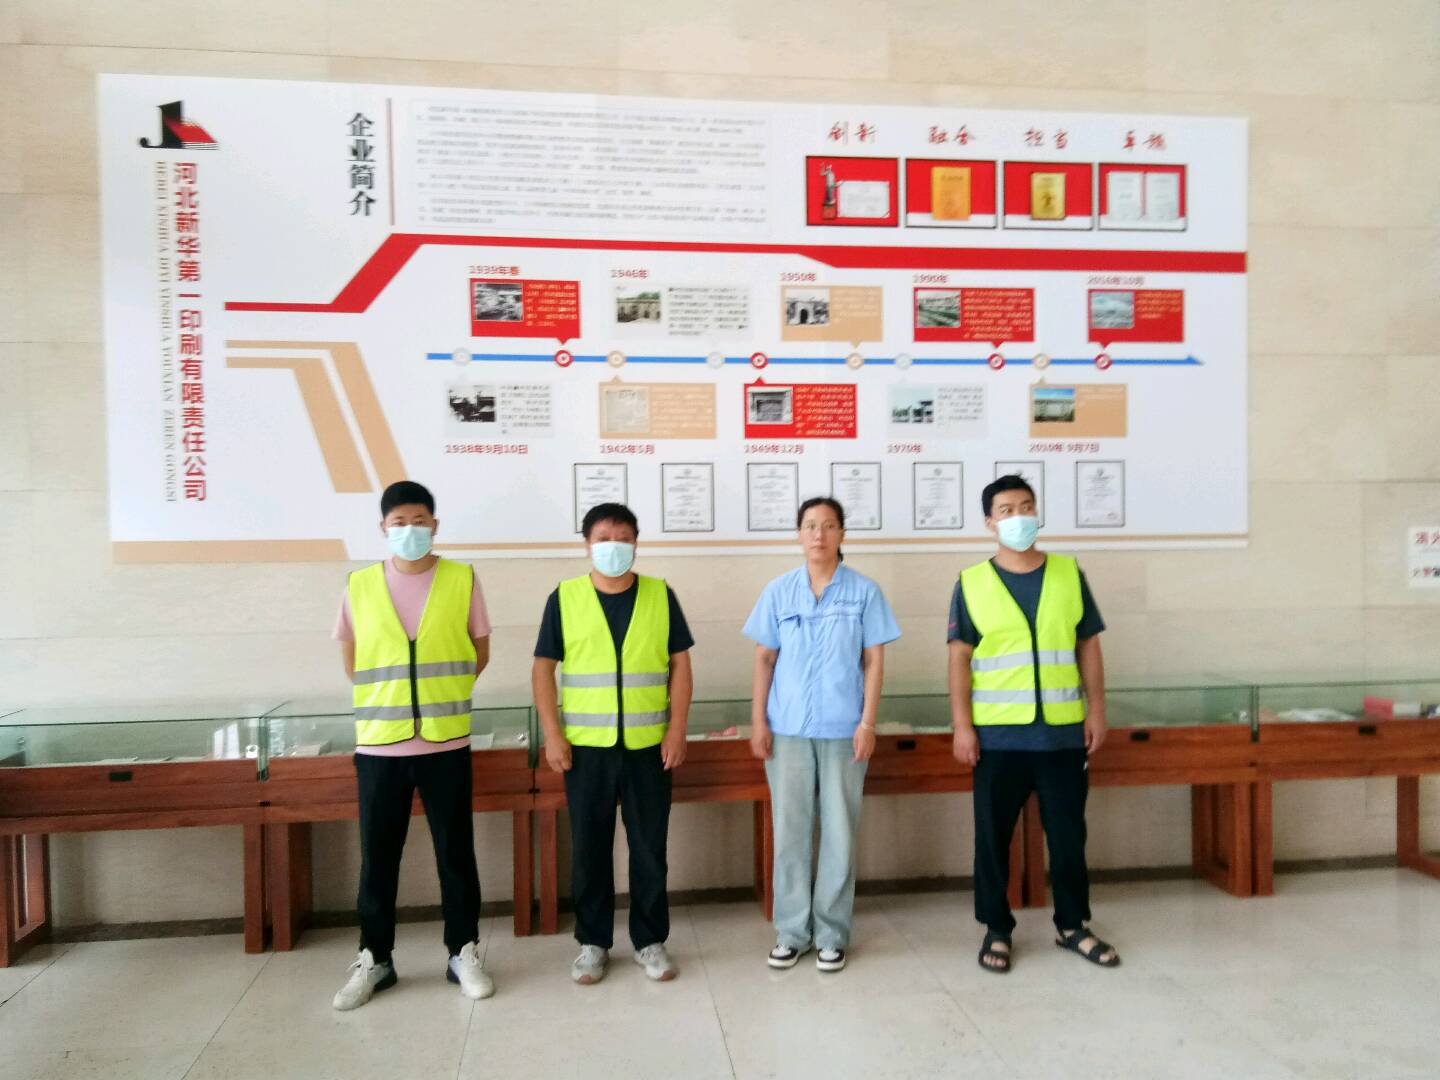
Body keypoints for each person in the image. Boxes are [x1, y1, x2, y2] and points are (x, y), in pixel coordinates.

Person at [330, 480, 495, 1011]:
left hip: (446, 742)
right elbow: (352, 659)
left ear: (435, 525)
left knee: (456, 854)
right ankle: (375, 958)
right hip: (381, 746)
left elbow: (479, 651)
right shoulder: (359, 584)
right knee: (378, 859)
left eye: (419, 520)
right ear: (383, 528)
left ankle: (462, 952)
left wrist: (440, 697)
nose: (409, 530)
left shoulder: (462, 579)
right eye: (399, 522)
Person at [948, 474, 1120, 974]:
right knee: (992, 840)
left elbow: (1088, 644)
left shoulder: (1068, 573)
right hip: (997, 737)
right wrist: (962, 725)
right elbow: (959, 657)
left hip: (1062, 735)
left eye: (1026, 506)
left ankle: (1073, 925)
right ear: (989, 522)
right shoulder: (971, 582)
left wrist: (1097, 710)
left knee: (1068, 838)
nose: (1018, 517)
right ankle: (996, 929)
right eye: (1006, 510)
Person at [531, 502, 694, 984]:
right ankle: (592, 943)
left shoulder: (661, 595)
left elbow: (681, 665)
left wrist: (677, 728)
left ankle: (650, 941)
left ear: (636, 543)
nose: (613, 546)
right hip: (586, 749)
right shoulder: (564, 597)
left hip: (648, 747)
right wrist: (553, 735)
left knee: (649, 849)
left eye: (623, 538)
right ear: (587, 544)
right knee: (590, 849)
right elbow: (543, 669)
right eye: (603, 538)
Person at [744, 497, 900, 973]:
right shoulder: (778, 592)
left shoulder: (864, 592)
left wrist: (867, 723)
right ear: (799, 534)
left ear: (842, 534)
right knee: (790, 831)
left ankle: (831, 933)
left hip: (843, 730)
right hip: (787, 730)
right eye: (810, 525)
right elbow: (764, 659)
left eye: (829, 525)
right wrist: (758, 722)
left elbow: (873, 661)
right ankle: (792, 932)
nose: (819, 534)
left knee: (839, 832)